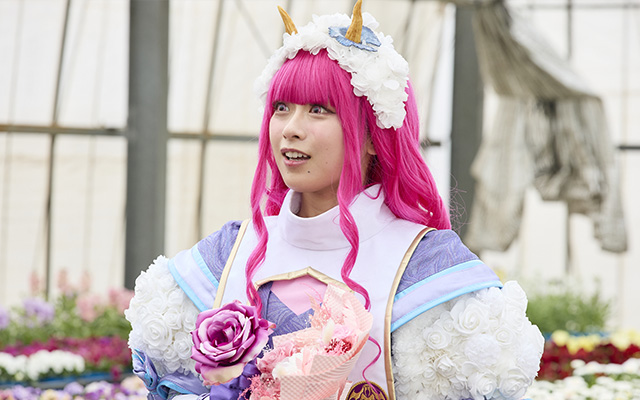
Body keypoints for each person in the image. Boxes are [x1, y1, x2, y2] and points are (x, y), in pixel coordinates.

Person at [125, 2, 544, 399]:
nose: (291, 128)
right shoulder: (224, 257)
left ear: (374, 136)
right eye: (282, 107)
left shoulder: (428, 268)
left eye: (319, 110)